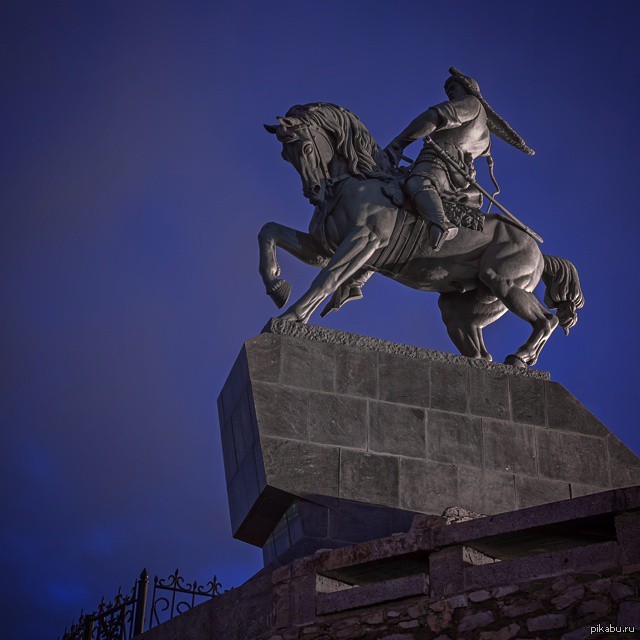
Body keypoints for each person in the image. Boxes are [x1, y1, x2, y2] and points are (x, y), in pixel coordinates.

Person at [384, 67, 534, 251]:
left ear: (468, 88)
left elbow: (435, 116)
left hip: (440, 164)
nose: (450, 92)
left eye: (453, 87)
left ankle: (441, 223)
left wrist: (397, 144)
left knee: (417, 183)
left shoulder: (471, 104)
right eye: (448, 90)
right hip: (459, 175)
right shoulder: (486, 135)